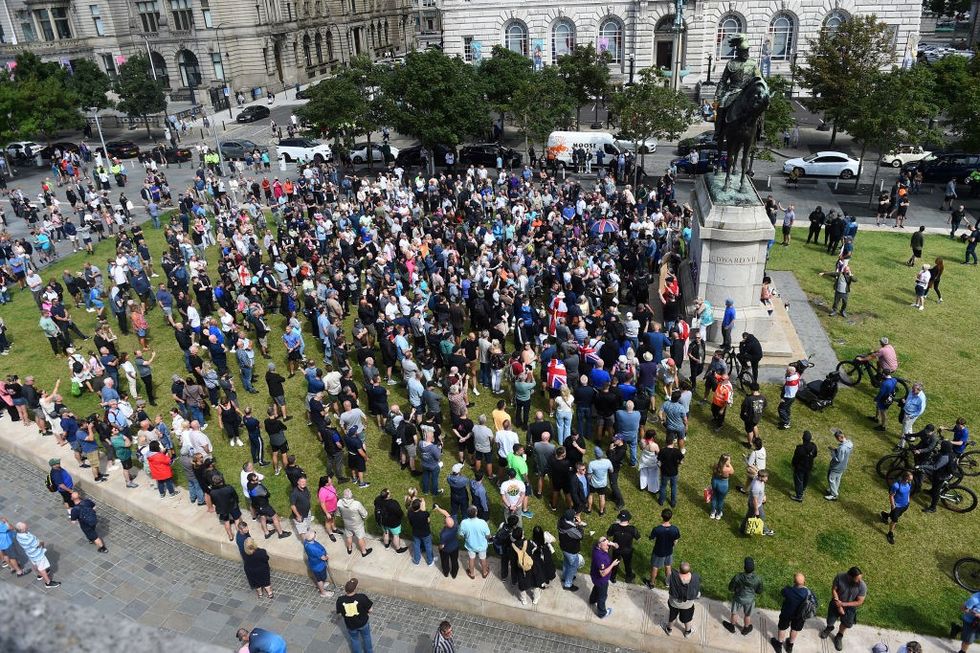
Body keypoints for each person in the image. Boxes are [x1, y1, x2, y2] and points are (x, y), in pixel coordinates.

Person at [819, 567, 868, 652]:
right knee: (830, 620)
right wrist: (839, 606)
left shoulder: (862, 586)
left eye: (860, 578)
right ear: (849, 577)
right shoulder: (840, 577)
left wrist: (843, 604)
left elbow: (859, 602)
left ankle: (839, 636)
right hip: (836, 601)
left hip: (850, 607)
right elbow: (834, 590)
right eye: (857, 579)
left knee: (846, 623)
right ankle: (829, 628)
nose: (860, 581)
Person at [770, 573, 815, 653]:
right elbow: (814, 601)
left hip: (787, 613)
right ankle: (790, 646)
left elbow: (782, 592)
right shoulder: (808, 592)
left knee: (782, 628)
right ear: (804, 582)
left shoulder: (788, 590)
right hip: (800, 615)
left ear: (794, 582)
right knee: (795, 629)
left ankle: (779, 645)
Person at [724, 557, 763, 636]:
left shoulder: (738, 577)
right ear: (753, 568)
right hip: (750, 600)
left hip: (738, 598)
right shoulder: (758, 579)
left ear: (744, 567)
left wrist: (735, 590)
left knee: (734, 613)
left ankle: (732, 627)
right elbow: (759, 591)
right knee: (747, 615)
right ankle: (746, 628)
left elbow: (730, 588)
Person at [14, 521, 60, 587]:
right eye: (26, 527)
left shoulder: (18, 535)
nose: (27, 527)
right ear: (22, 530)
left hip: (30, 554)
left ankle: (39, 575)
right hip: (37, 555)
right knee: (42, 568)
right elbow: (37, 545)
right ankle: (48, 582)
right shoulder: (29, 538)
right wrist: (42, 543)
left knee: (35, 564)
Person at [663, 561, 701, 638]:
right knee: (687, 619)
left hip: (673, 603)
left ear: (679, 569)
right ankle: (687, 632)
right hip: (687, 606)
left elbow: (667, 583)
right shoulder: (695, 578)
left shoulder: (672, 575)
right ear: (689, 569)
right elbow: (697, 594)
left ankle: (669, 630)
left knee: (672, 617)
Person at [644, 508, 680, 589]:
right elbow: (676, 540)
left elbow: (651, 538)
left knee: (655, 567)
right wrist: (672, 546)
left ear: (661, 516)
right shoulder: (675, 529)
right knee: (668, 566)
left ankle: (651, 583)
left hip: (658, 552)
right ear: (671, 517)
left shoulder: (657, 529)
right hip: (669, 551)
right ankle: (668, 583)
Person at [336, 578, 374, 653]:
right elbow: (370, 610)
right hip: (363, 622)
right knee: (366, 637)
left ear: (345, 589)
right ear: (355, 588)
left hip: (350, 625)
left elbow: (339, 613)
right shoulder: (362, 597)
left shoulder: (340, 600)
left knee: (354, 639)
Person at [606, 509, 639, 583]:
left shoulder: (614, 527)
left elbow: (608, 534)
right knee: (628, 564)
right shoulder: (633, 529)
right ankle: (628, 577)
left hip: (616, 549)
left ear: (619, 518)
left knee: (615, 562)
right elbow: (638, 538)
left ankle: (612, 577)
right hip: (627, 550)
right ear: (628, 519)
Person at [588, 536, 618, 619]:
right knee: (602, 597)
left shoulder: (597, 547)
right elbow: (603, 574)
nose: (608, 547)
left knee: (596, 588)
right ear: (599, 545)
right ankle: (602, 613)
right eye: (606, 545)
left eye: (608, 545)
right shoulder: (599, 557)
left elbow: (617, 546)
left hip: (595, 577)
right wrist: (612, 565)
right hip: (601, 580)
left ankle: (592, 600)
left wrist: (612, 544)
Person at [337, 488, 373, 557]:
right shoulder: (356, 504)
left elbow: (338, 514)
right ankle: (364, 552)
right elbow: (365, 514)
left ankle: (349, 549)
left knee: (349, 536)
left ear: (344, 495)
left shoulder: (339, 502)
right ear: (351, 495)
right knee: (360, 537)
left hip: (347, 523)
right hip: (357, 525)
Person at [881, 470, 913, 544]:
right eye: (909, 479)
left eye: (911, 479)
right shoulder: (896, 485)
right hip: (897, 506)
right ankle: (890, 534)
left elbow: (908, 491)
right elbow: (891, 496)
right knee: (895, 520)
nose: (910, 481)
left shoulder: (909, 483)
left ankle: (885, 515)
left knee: (896, 516)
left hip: (905, 505)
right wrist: (893, 506)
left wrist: (908, 500)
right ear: (905, 478)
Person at [459, 505, 491, 579]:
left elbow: (461, 535)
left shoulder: (464, 523)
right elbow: (488, 535)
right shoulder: (482, 522)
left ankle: (472, 574)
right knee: (483, 559)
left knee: (471, 559)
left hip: (470, 545)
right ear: (476, 513)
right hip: (482, 546)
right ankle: (484, 573)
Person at [742, 469, 774, 536]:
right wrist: (756, 510)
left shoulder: (758, 479)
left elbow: (755, 473)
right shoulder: (756, 487)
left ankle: (742, 529)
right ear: (761, 477)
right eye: (766, 477)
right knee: (760, 517)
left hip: (758, 504)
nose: (767, 479)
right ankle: (765, 530)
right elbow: (755, 500)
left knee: (750, 516)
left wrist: (764, 496)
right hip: (755, 505)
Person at [303, 531, 333, 597]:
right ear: (313, 538)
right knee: (320, 579)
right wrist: (327, 556)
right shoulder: (315, 549)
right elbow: (323, 558)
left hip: (313, 563)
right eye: (314, 534)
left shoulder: (306, 542)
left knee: (320, 578)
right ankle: (323, 592)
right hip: (319, 566)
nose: (315, 534)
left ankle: (323, 584)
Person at [790, 431, 818, 502]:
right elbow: (815, 455)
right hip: (809, 466)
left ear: (803, 439)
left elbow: (795, 459)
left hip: (800, 468)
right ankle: (803, 488)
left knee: (799, 481)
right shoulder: (813, 446)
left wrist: (793, 465)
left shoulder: (800, 449)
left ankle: (799, 496)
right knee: (806, 478)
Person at [825, 428, 853, 501]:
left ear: (839, 438)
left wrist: (833, 453)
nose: (837, 440)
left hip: (837, 467)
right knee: (837, 479)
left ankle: (834, 495)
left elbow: (839, 459)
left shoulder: (842, 448)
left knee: (831, 478)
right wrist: (835, 450)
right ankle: (833, 489)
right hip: (843, 466)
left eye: (836, 438)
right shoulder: (849, 443)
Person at [709, 453, 735, 520]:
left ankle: (712, 513)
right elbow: (732, 472)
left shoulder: (716, 465)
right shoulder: (727, 469)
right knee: (720, 500)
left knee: (714, 497)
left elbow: (713, 474)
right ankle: (718, 514)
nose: (730, 461)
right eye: (729, 460)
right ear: (725, 461)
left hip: (715, 482)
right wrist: (729, 464)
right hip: (723, 485)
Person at [777, 365, 799, 429]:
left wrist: (783, 398)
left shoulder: (790, 379)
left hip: (787, 397)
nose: (786, 372)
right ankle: (787, 418)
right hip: (792, 396)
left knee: (781, 409)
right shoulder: (797, 375)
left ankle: (786, 422)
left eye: (787, 371)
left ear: (790, 373)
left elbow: (786, 378)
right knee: (787, 408)